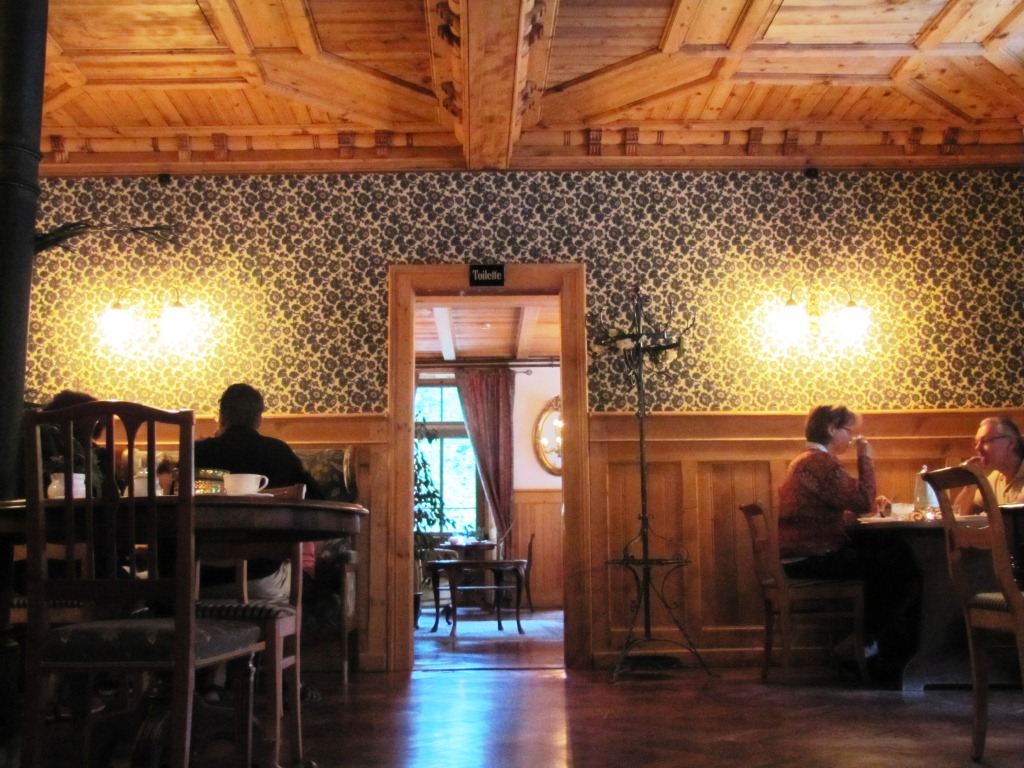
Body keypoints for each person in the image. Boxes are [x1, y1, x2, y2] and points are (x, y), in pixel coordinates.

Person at [777, 404, 921, 683]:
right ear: (832, 429)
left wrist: (851, 513)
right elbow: (864, 500)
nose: (852, 438)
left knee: (890, 555)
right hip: (811, 558)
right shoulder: (820, 463)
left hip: (801, 555)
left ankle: (868, 646)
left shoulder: (806, 461)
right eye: (849, 431)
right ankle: (866, 646)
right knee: (902, 564)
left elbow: (825, 510)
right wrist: (865, 457)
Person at [195, 383, 321, 603]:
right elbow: (317, 498)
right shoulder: (278, 452)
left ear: (222, 418)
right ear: (258, 420)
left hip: (198, 582)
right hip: (260, 579)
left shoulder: (198, 453)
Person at [954, 416, 1024, 514]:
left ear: (1011, 443)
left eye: (985, 441)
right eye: (976, 443)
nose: (977, 448)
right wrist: (972, 480)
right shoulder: (995, 477)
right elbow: (959, 512)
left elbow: (1014, 515)